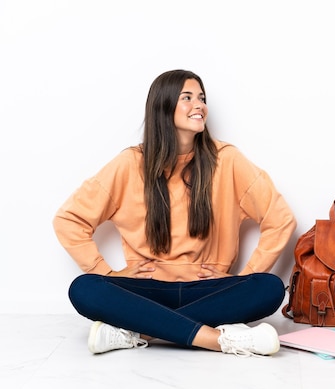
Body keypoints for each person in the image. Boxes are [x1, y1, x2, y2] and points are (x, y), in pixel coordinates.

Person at [53, 69, 297, 357]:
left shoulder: (227, 160)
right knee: (84, 288)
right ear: (164, 106)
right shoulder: (130, 163)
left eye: (202, 98)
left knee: (268, 288)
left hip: (209, 289)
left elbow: (281, 219)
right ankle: (219, 340)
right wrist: (108, 273)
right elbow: (68, 220)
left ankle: (137, 333)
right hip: (145, 290)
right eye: (187, 97)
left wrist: (240, 278)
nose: (200, 105)